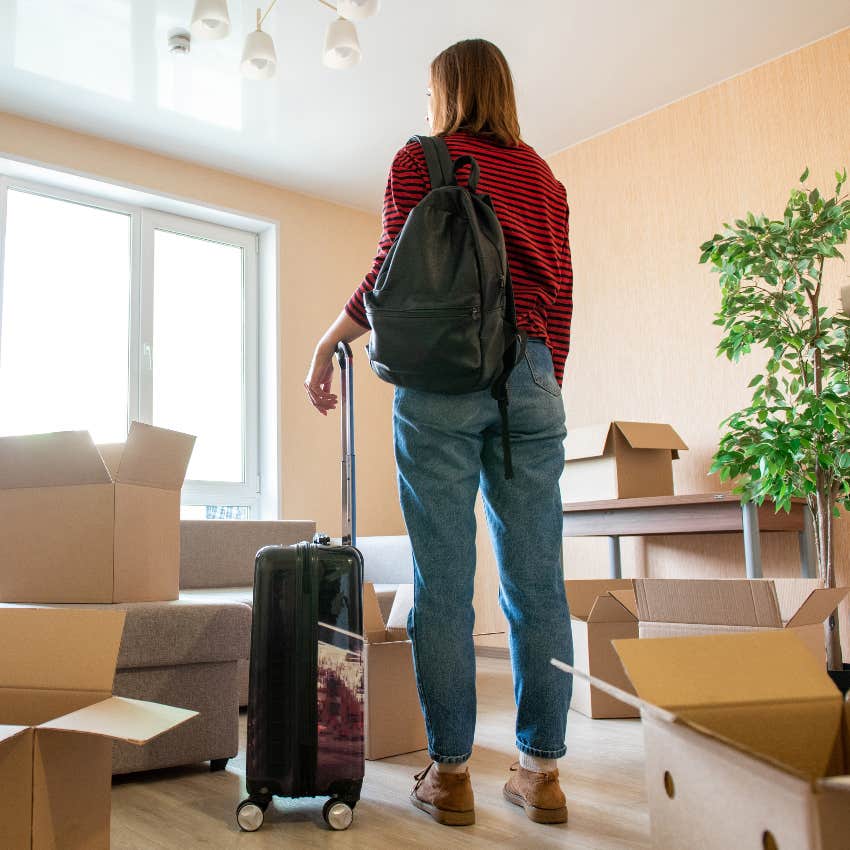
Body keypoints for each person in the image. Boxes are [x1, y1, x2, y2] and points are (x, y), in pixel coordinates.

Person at [305, 38, 574, 828]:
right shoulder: (546, 179)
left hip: (442, 382)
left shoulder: (419, 159)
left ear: (447, 92)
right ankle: (542, 772)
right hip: (531, 378)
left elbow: (394, 270)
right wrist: (540, 375)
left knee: (445, 584)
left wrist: (330, 341)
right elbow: (559, 292)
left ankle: (451, 774)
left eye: (432, 93)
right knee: (538, 584)